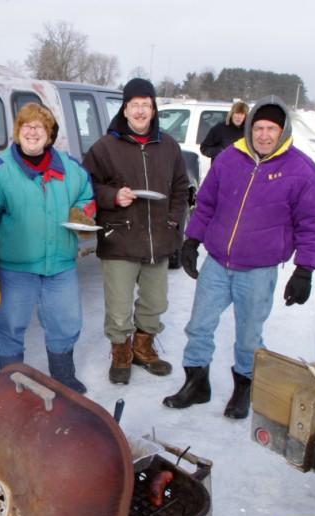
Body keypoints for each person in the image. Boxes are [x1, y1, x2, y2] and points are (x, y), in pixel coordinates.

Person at [163, 95, 315, 419]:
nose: (264, 135)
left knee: (248, 335)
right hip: (217, 264)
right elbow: (206, 202)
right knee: (199, 326)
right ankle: (197, 384)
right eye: (259, 127)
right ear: (249, 126)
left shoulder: (302, 171)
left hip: (258, 271)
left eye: (272, 129)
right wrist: (192, 240)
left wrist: (304, 270)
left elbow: (312, 225)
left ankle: (243, 389)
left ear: (283, 131)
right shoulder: (229, 158)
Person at [0, 103, 96, 393]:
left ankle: (63, 376)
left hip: (60, 266)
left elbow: (87, 196)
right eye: (25, 125)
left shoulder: (69, 167)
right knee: (8, 326)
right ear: (18, 132)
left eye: (39, 126)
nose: (32, 131)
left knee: (66, 323)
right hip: (14, 268)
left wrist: (81, 213)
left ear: (49, 134)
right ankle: (10, 381)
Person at [83, 78, 190, 385]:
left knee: (155, 303)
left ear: (154, 109)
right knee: (118, 308)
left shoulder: (168, 145)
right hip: (120, 237)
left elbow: (181, 187)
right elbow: (87, 185)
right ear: (125, 109)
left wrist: (173, 220)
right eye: (135, 105)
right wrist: (113, 197)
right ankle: (120, 352)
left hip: (158, 237)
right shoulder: (105, 147)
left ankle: (143, 348)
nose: (141, 111)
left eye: (147, 105)